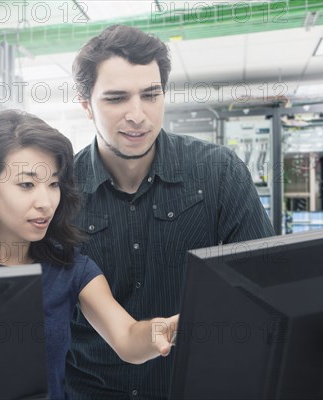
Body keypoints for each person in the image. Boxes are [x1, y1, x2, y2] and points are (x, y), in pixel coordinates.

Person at [64, 25, 276, 399]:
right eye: (116, 98)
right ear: (86, 105)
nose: (137, 114)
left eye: (151, 95)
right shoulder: (60, 191)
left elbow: (268, 283)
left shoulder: (218, 172)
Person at [0, 110, 178, 399]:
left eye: (53, 185)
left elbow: (127, 337)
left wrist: (162, 330)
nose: (46, 203)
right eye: (26, 185)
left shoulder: (70, 268)